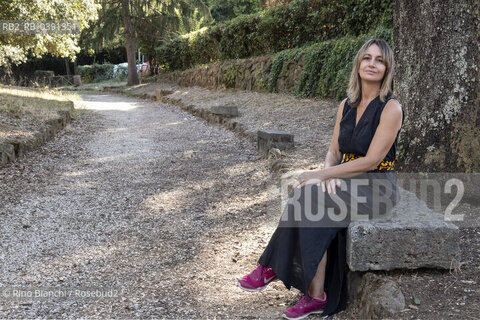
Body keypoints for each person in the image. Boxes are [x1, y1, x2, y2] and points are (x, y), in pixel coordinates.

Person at [236, 38, 404, 319]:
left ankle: (275, 269)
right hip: (346, 180)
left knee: (307, 194)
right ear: (358, 64)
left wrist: (322, 174)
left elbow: (372, 160)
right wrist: (326, 174)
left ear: (387, 69)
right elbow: (334, 150)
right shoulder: (346, 106)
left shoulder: (391, 108)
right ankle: (314, 295)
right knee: (309, 197)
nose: (372, 64)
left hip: (376, 187)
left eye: (379, 60)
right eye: (367, 58)